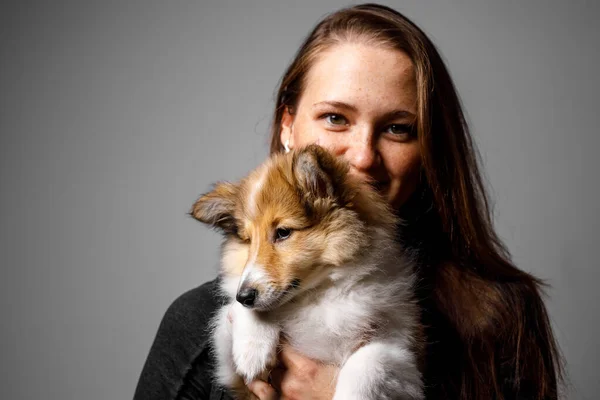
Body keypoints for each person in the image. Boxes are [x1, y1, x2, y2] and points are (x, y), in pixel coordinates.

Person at [133, 4, 564, 400]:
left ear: (429, 147)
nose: (362, 156)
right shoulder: (196, 323)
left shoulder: (502, 311)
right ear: (288, 126)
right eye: (335, 118)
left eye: (398, 128)